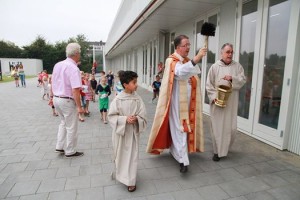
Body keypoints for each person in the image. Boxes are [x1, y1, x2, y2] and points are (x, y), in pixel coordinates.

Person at [146, 35, 207, 173]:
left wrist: (192, 80)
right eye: (185, 45)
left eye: (189, 45)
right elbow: (179, 72)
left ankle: (177, 152)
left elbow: (192, 73)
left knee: (181, 129)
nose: (188, 48)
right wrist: (197, 58)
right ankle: (183, 160)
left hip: (187, 102)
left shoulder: (184, 60)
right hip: (176, 103)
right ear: (178, 47)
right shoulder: (171, 60)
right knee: (181, 129)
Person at [206, 43, 246, 161]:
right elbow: (209, 84)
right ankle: (216, 151)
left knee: (231, 129)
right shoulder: (214, 67)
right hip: (217, 103)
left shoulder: (237, 67)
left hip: (231, 103)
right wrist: (213, 97)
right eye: (227, 52)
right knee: (217, 128)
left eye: (231, 52)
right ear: (222, 53)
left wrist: (232, 78)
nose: (230, 54)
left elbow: (242, 80)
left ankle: (225, 148)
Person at [108, 71, 147, 192]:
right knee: (121, 155)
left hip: (133, 133)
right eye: (134, 82)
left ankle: (130, 180)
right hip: (121, 134)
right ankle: (122, 175)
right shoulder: (118, 100)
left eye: (136, 81)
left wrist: (137, 118)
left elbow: (143, 114)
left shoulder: (137, 98)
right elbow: (111, 116)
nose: (136, 85)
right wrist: (124, 119)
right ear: (125, 84)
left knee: (132, 156)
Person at [52, 42, 85, 158]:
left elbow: (53, 82)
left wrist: (52, 97)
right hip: (66, 100)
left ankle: (59, 146)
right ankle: (70, 150)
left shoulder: (58, 65)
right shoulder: (73, 68)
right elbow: (75, 90)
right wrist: (79, 106)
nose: (79, 55)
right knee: (71, 126)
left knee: (63, 123)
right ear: (76, 54)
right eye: (79, 53)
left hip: (57, 98)